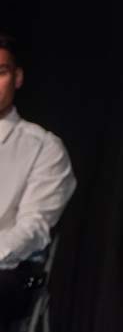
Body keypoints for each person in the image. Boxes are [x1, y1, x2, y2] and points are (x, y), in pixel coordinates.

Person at [0, 33, 76, 326]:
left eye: (1, 72)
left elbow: (34, 228)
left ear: (16, 78)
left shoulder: (43, 147)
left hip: (9, 270)